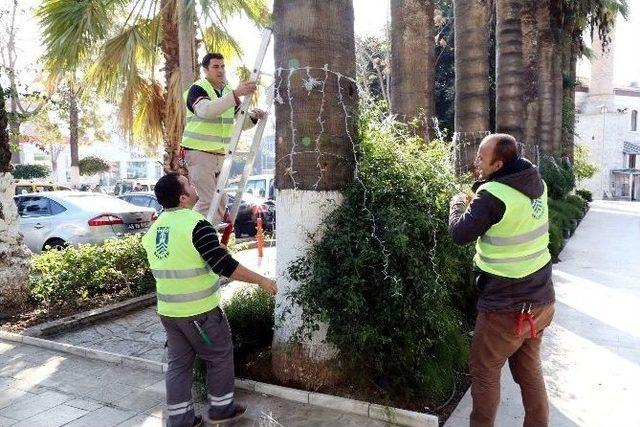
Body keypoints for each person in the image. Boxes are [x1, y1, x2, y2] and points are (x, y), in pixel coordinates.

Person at [141, 173, 277, 427]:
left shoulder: (154, 229)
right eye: (189, 184)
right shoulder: (196, 224)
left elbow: (178, 260)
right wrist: (263, 281)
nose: (194, 186)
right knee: (219, 356)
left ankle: (180, 420)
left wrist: (212, 251)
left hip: (169, 313)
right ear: (183, 197)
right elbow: (224, 266)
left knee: (179, 366)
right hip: (199, 313)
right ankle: (222, 409)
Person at [448, 134, 555, 427]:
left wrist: (458, 203)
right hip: (542, 300)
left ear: (498, 163)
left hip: (505, 307)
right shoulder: (537, 184)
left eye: (482, 158)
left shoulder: (492, 194)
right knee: (529, 370)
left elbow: (460, 234)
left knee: (485, 371)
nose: (476, 162)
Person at [182, 52, 266, 223]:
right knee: (208, 201)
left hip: (221, 155)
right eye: (215, 67)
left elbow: (243, 123)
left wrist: (254, 116)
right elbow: (205, 111)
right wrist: (235, 95)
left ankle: (208, 239)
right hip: (199, 153)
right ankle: (192, 237)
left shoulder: (227, 91)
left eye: (222, 66)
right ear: (205, 70)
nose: (220, 70)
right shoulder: (198, 88)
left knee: (220, 203)